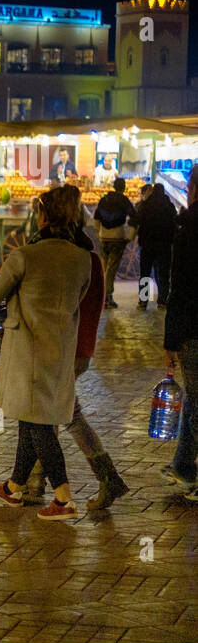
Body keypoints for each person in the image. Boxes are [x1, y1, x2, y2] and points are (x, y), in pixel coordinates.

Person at [0, 185, 92, 521]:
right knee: (31, 419)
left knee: (37, 423)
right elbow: (81, 302)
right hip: (60, 349)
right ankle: (14, 486)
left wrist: (2, 320)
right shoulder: (83, 259)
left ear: (43, 215)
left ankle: (64, 498)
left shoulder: (25, 256)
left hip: (26, 350)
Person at [22, 196, 126, 510]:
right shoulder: (89, 257)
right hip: (79, 349)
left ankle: (106, 479)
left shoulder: (68, 258)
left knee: (63, 416)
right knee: (51, 414)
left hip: (62, 348)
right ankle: (35, 483)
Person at [162, 166, 198, 499]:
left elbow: (181, 287)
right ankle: (184, 466)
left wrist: (170, 340)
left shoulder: (187, 228)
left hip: (192, 327)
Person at [132, 183, 177, 310]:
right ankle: (162, 301)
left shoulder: (145, 205)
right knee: (163, 273)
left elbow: (137, 220)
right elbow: (174, 223)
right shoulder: (169, 206)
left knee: (145, 273)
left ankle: (143, 301)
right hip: (164, 245)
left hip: (147, 244)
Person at [93, 178, 134, 309]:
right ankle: (106, 298)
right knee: (111, 270)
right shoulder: (124, 200)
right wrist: (131, 236)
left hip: (104, 237)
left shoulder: (104, 199)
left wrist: (99, 232)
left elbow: (96, 218)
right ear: (124, 188)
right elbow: (134, 217)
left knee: (105, 268)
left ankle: (104, 296)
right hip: (117, 237)